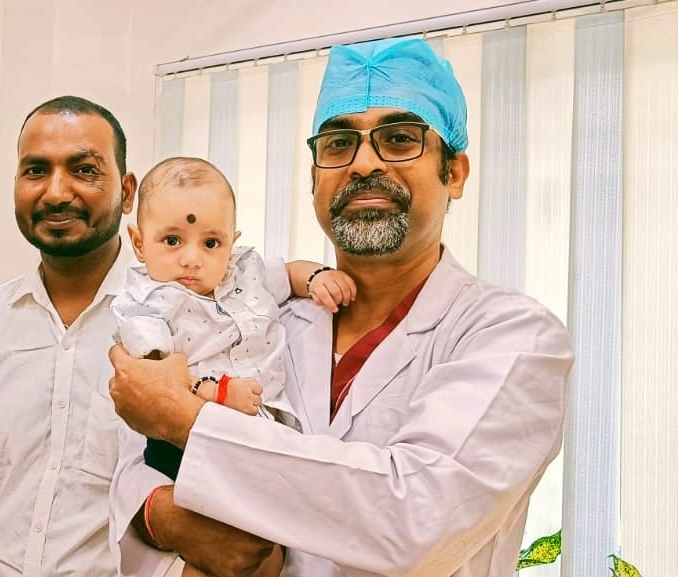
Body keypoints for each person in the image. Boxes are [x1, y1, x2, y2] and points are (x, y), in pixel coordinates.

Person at [108, 38, 575, 577]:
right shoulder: (253, 318)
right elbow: (133, 463)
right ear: (314, 179)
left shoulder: (512, 337)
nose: (364, 163)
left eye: (399, 139)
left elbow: (415, 520)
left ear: (454, 173)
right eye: (338, 144)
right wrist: (162, 517)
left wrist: (188, 421)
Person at [111, 157, 353, 577]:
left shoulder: (244, 273)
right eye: (172, 240)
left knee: (263, 541)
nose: (192, 259)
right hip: (184, 439)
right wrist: (217, 393)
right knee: (216, 545)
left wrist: (316, 277)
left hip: (261, 430)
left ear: (232, 242)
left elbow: (289, 273)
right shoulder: (146, 303)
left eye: (211, 243)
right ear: (139, 241)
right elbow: (157, 385)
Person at [0, 95, 141, 577]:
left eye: (84, 170)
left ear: (127, 191)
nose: (55, 193)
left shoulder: (171, 320)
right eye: (35, 171)